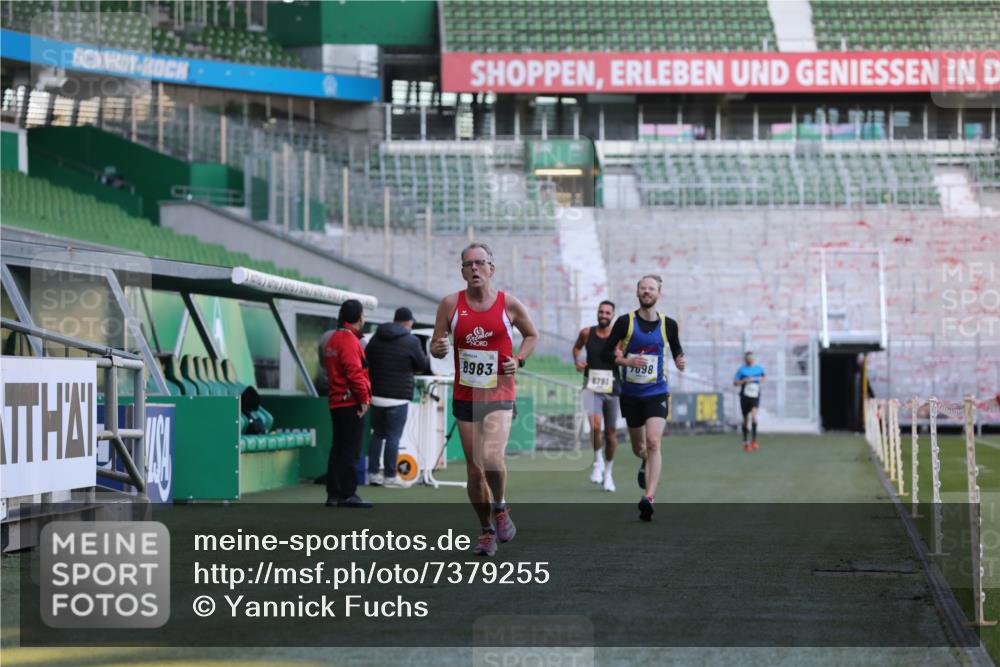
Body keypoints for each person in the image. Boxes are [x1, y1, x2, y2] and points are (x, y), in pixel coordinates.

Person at [430, 242, 539, 557]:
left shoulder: (509, 304)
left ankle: (501, 507)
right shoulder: (450, 305)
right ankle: (486, 530)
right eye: (468, 264)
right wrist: (435, 349)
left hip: (500, 391)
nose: (474, 268)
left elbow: (532, 335)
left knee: (492, 457)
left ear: (492, 268)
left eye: (480, 262)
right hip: (466, 393)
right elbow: (436, 343)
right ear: (462, 271)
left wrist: (518, 360)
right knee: (474, 470)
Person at [601, 275, 685, 522]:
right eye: (643, 288)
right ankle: (644, 462)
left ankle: (649, 496)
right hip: (631, 395)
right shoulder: (624, 322)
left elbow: (678, 349)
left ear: (659, 293)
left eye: (652, 288)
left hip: (657, 392)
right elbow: (607, 353)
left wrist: (680, 360)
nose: (647, 292)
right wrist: (625, 361)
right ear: (637, 293)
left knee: (653, 441)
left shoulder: (668, 324)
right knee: (640, 448)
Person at [365, 306, 431, 487]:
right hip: (398, 396)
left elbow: (366, 358)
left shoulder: (377, 337)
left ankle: (372, 475)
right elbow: (422, 363)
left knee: (377, 434)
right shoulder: (411, 340)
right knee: (393, 436)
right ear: (408, 322)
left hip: (376, 394)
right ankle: (389, 476)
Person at [323, 299, 372, 508]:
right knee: (350, 450)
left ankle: (334, 494)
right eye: (364, 313)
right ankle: (347, 493)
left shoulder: (333, 339)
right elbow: (355, 373)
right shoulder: (349, 341)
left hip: (336, 401)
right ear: (359, 316)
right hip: (349, 401)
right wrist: (363, 400)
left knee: (338, 448)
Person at [571, 300, 621, 492]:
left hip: (612, 388)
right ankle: (598, 462)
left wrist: (621, 354)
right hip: (591, 386)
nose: (603, 315)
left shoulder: (618, 338)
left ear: (612, 316)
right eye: (601, 312)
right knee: (595, 426)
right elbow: (576, 348)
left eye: (608, 313)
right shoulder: (586, 333)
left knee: (610, 433)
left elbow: (625, 356)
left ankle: (608, 473)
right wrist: (577, 361)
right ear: (597, 313)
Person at [733, 351, 766, 452]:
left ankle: (754, 441)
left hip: (755, 395)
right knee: (746, 419)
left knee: (754, 416)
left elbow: (764, 377)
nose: (750, 360)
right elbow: (735, 382)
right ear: (745, 359)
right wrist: (744, 381)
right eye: (748, 358)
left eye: (751, 358)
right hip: (745, 396)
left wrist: (758, 379)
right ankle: (745, 441)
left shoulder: (759, 368)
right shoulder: (741, 370)